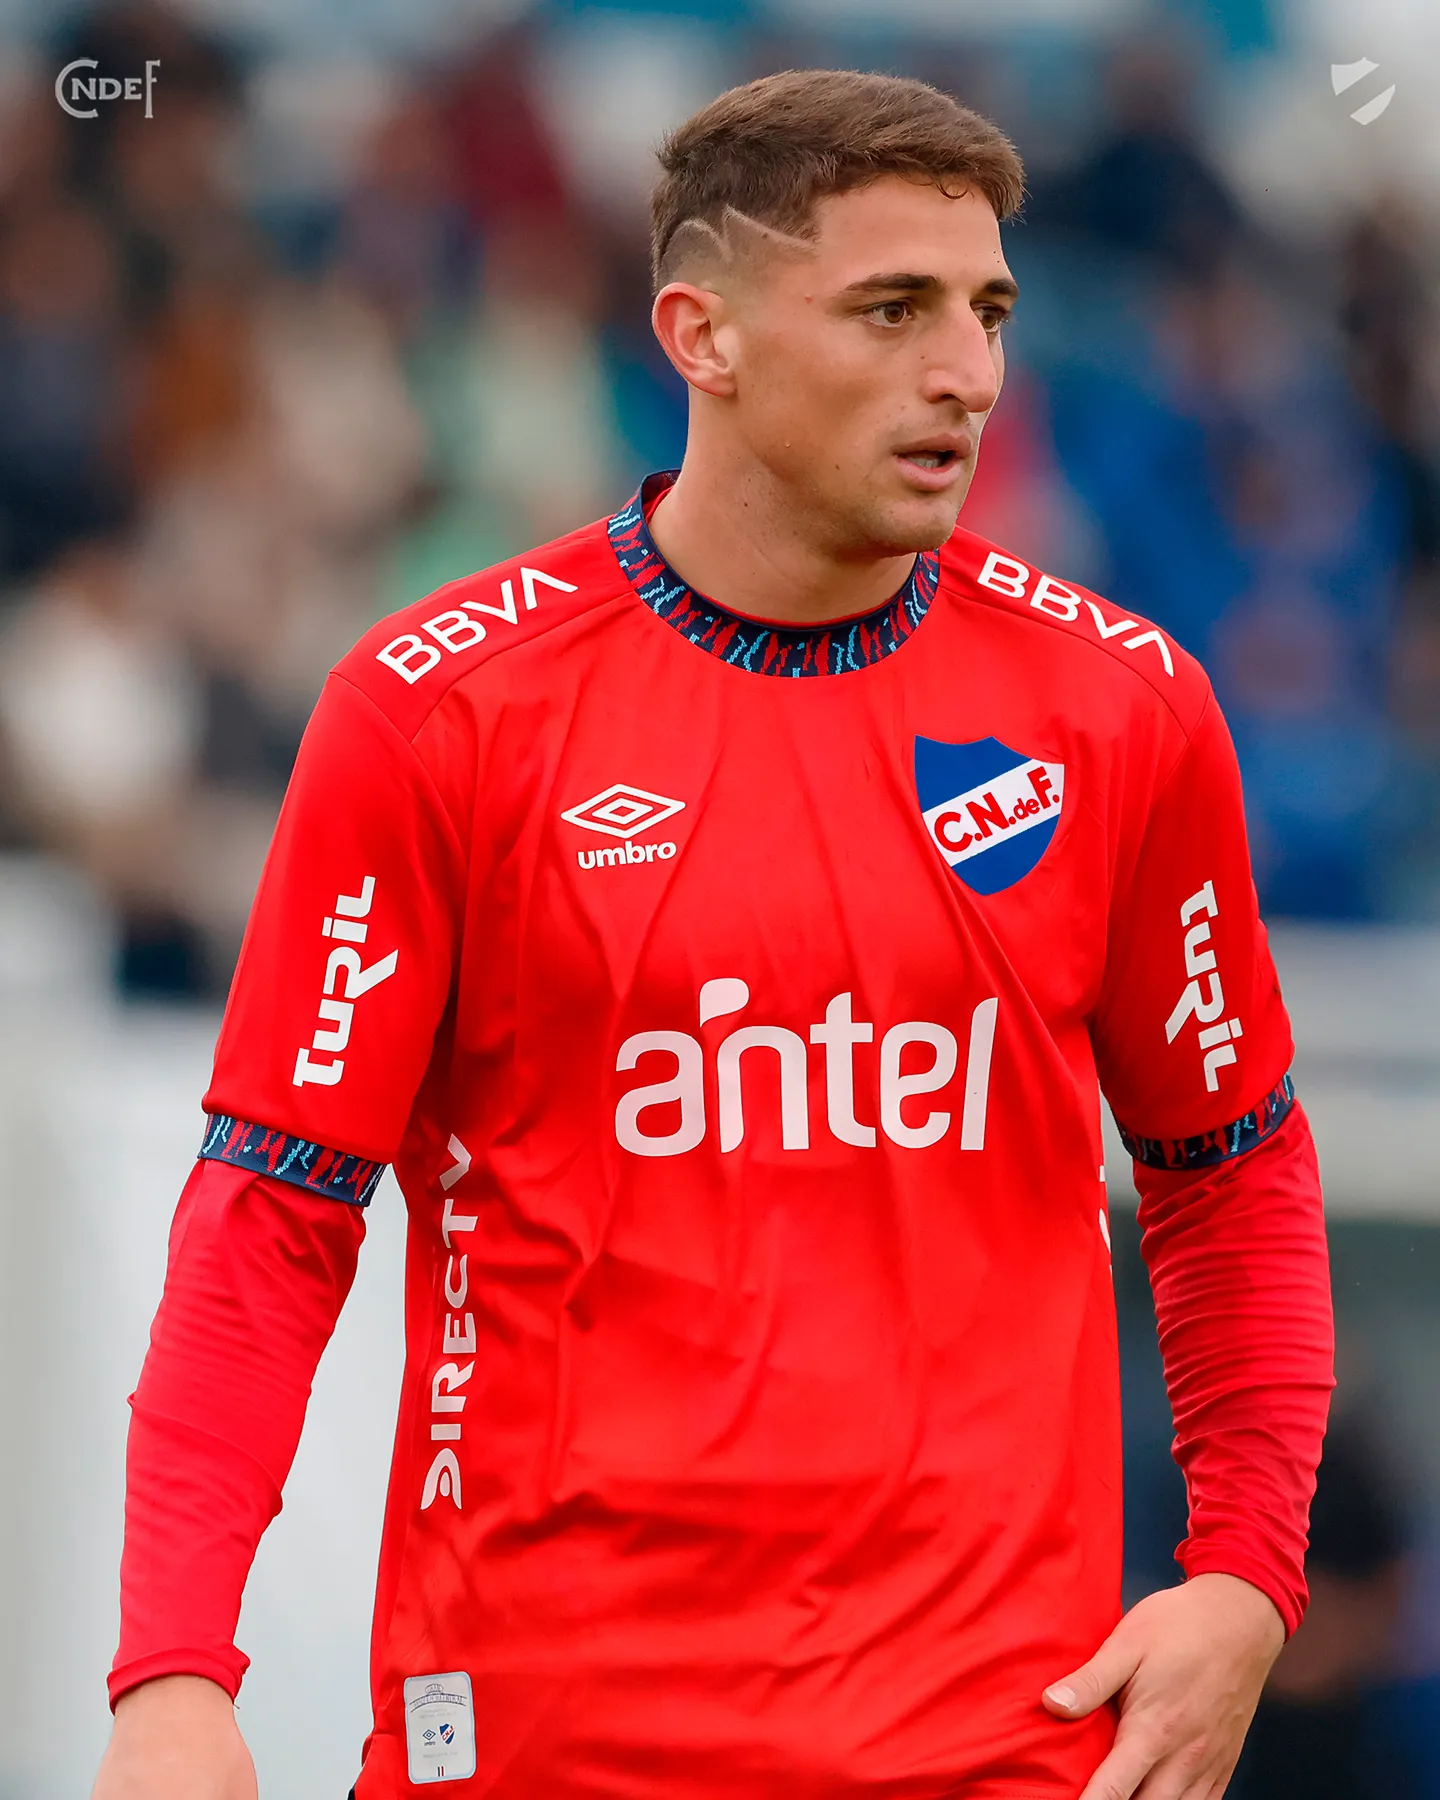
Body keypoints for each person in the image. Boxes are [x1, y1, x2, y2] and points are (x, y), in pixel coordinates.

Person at [92, 70, 1334, 1800]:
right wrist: (172, 1673)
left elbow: (1232, 1175)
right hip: (542, 1749)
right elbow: (269, 1220)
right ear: (702, 336)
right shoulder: (437, 713)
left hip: (994, 1752)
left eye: (987, 313)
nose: (967, 373)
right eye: (892, 310)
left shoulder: (1123, 712)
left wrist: (1245, 1574)